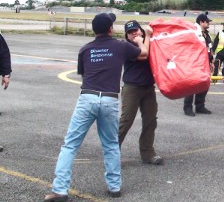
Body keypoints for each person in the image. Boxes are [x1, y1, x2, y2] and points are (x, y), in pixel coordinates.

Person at [44, 13, 148, 202]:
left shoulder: (85, 49)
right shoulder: (120, 46)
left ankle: (60, 190)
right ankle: (114, 187)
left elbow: (84, 76)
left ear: (94, 30)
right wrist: (141, 40)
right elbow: (144, 54)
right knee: (110, 145)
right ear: (111, 29)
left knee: (70, 145)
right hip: (109, 99)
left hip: (88, 97)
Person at [117, 20, 163, 165]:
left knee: (150, 120)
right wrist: (146, 37)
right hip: (132, 88)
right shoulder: (128, 47)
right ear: (127, 36)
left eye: (136, 30)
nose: (134, 34)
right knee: (126, 120)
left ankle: (147, 153)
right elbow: (144, 55)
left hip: (148, 87)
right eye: (130, 32)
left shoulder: (149, 43)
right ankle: (112, 152)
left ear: (141, 30)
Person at [183, 13, 214, 116]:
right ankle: (187, 107)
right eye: (207, 22)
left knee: (204, 85)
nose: (208, 23)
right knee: (191, 86)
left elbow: (209, 48)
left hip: (205, 64)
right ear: (201, 22)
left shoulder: (206, 34)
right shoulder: (194, 33)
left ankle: (200, 106)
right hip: (195, 63)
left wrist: (211, 61)